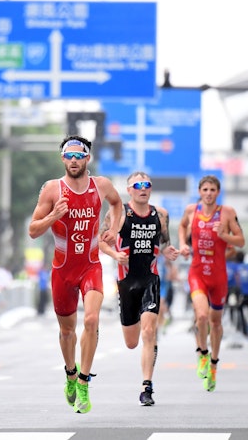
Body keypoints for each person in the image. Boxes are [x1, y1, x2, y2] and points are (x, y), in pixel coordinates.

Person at [28, 135, 123, 414]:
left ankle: (83, 381)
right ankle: (70, 373)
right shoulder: (52, 189)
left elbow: (117, 204)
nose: (73, 160)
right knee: (67, 331)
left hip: (90, 266)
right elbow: (33, 231)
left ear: (87, 159)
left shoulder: (101, 185)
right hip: (62, 271)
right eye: (68, 156)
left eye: (78, 156)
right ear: (62, 159)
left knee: (91, 320)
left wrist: (113, 229)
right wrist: (53, 216)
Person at [99, 171, 179, 406]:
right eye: (137, 185)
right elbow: (101, 241)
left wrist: (168, 251)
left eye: (146, 185)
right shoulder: (119, 214)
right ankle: (145, 359)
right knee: (132, 342)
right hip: (126, 282)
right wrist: (115, 254)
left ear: (151, 188)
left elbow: (165, 242)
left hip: (150, 280)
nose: (143, 188)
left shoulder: (160, 215)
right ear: (129, 190)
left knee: (149, 332)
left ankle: (147, 387)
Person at [178, 175, 245, 392]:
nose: (208, 193)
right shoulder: (192, 210)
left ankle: (214, 365)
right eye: (205, 189)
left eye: (212, 190)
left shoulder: (227, 213)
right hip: (197, 273)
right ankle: (203, 354)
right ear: (199, 192)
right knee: (201, 316)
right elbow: (182, 226)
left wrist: (224, 235)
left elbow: (241, 241)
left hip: (218, 276)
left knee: (215, 322)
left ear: (218, 192)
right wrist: (183, 244)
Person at [234, 250, 248, 336]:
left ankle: (243, 331)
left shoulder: (235, 268)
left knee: (240, 313)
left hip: (240, 294)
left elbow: (236, 281)